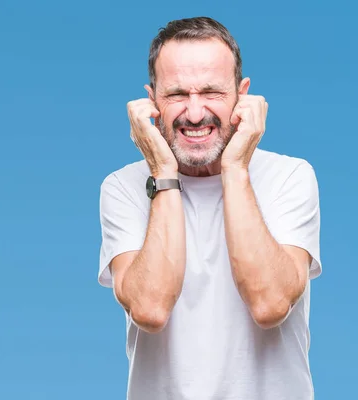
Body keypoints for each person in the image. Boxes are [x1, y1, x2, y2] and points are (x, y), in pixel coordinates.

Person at [98, 16, 322, 400]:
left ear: (242, 94)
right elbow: (149, 309)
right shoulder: (123, 187)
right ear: (152, 101)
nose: (196, 112)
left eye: (212, 92)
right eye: (177, 94)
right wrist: (163, 172)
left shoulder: (291, 176)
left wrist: (234, 168)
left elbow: (270, 304)